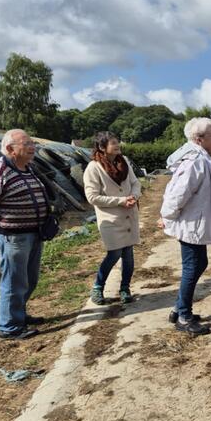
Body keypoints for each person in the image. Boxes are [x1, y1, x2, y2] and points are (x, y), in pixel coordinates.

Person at [0, 129, 48, 340]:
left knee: (29, 279)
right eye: (27, 143)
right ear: (10, 149)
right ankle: (8, 328)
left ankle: (19, 315)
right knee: (14, 282)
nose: (32, 147)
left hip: (33, 234)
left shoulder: (27, 168)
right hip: (13, 237)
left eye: (33, 142)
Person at [159, 118, 211, 335]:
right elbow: (177, 193)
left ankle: (179, 308)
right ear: (199, 139)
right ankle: (183, 316)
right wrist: (167, 216)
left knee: (198, 263)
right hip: (191, 224)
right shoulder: (195, 161)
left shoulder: (200, 158)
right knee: (192, 266)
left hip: (196, 223)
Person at [84, 131, 141, 305]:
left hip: (129, 214)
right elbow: (92, 197)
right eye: (113, 143)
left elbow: (135, 183)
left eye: (117, 142)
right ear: (102, 147)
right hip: (111, 218)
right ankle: (98, 288)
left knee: (128, 254)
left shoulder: (123, 163)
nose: (117, 146)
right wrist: (120, 201)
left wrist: (134, 197)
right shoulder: (94, 168)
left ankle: (125, 288)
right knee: (114, 253)